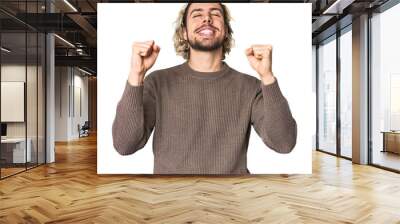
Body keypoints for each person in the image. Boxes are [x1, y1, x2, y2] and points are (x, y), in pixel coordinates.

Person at [112, 3, 297, 174]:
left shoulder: (250, 86)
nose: (207, 19)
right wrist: (136, 75)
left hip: (230, 201)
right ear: (184, 33)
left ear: (225, 31)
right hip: (171, 202)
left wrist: (267, 77)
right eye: (197, 14)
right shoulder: (157, 82)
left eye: (215, 14)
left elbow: (284, 143)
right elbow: (125, 145)